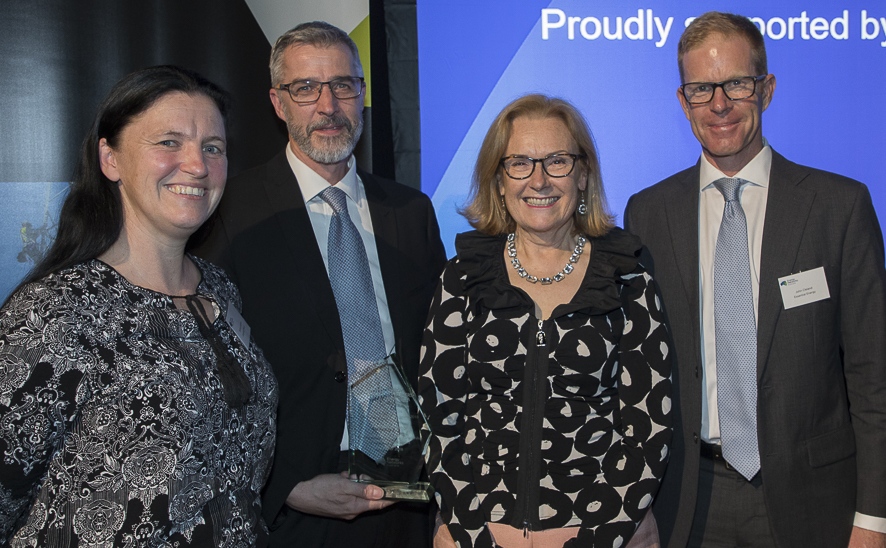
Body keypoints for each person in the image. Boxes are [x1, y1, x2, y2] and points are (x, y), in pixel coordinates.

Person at [624, 11, 886, 548]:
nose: (719, 104)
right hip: (688, 501)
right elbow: (637, 375)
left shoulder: (839, 207)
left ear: (766, 89)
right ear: (683, 102)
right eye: (701, 89)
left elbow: (873, 376)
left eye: (736, 84)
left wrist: (874, 517)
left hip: (816, 500)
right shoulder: (647, 214)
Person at [0, 65, 278, 546]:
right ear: (110, 159)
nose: (196, 164)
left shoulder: (220, 290)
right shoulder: (55, 312)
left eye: (213, 147)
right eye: (169, 142)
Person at [193, 21, 446, 547]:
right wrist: (285, 485)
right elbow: (204, 375)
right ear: (278, 103)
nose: (328, 105)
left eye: (344, 86)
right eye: (306, 88)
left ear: (362, 95)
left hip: (411, 504)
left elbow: (441, 351)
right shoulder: (228, 213)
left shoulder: (412, 212)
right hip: (295, 512)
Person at [419, 94, 673, 548]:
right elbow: (439, 416)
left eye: (557, 161)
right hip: (480, 534)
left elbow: (648, 427)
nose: (538, 180)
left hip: (601, 534)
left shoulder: (627, 279)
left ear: (583, 174)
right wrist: (468, 528)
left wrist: (602, 534)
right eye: (519, 163)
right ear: (498, 180)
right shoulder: (462, 278)